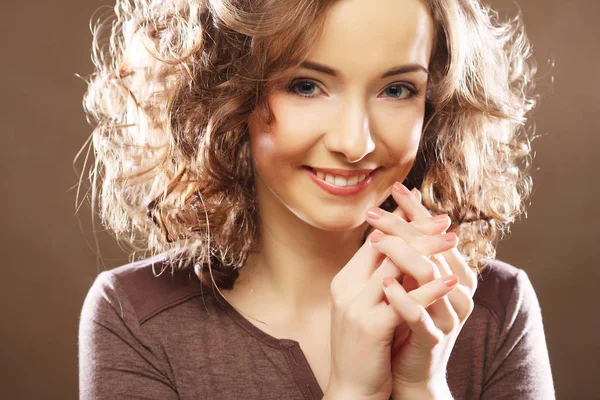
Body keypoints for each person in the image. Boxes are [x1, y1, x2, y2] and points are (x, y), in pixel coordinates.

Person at [77, 0, 555, 398]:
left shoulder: (496, 307)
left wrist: (424, 386)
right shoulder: (137, 317)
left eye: (397, 89)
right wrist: (353, 392)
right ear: (224, 94)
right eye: (306, 86)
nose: (355, 142)